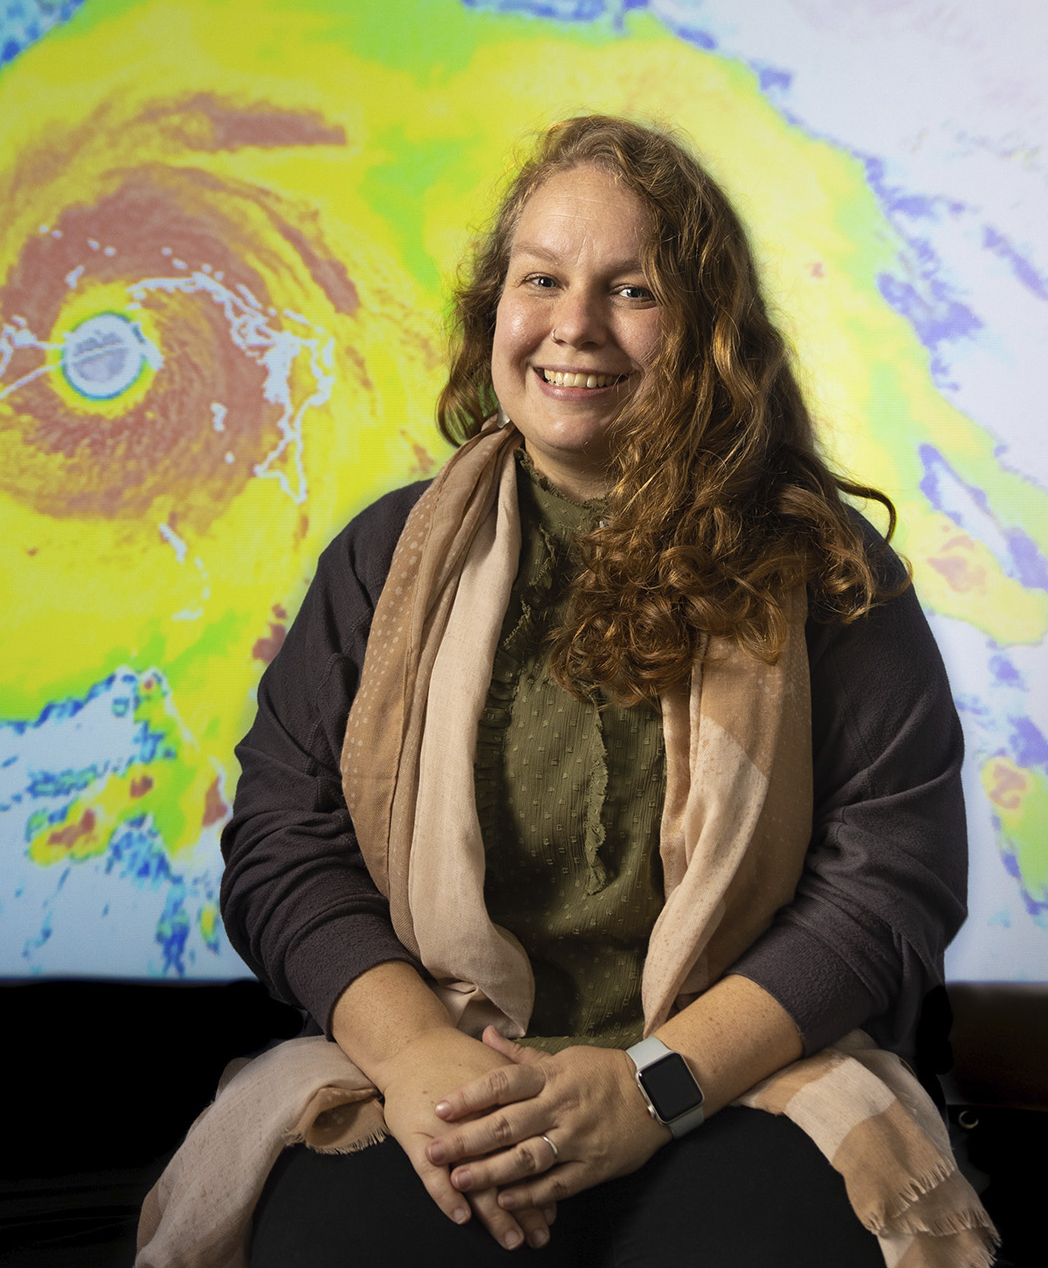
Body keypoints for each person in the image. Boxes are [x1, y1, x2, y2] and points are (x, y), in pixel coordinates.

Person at [154, 116, 990, 1268]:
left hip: (734, 1078)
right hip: (445, 1072)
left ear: (705, 333)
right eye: (539, 278)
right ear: (495, 307)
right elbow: (282, 844)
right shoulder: (382, 560)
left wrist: (649, 1088)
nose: (572, 326)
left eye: (631, 290)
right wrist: (414, 1060)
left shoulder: (826, 569)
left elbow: (886, 886)